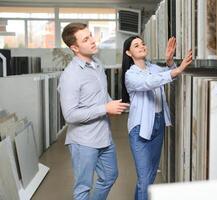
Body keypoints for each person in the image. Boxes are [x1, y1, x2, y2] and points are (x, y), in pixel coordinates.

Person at [58, 22, 129, 200]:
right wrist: (105, 108)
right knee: (83, 187)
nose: (92, 41)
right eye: (86, 39)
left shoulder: (97, 64)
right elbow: (70, 115)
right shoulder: (70, 75)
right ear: (74, 47)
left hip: (104, 136)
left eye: (91, 36)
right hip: (83, 141)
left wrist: (112, 104)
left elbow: (101, 94)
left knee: (110, 176)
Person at [121, 35, 193, 200]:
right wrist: (176, 69)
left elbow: (170, 78)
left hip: (158, 123)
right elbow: (150, 82)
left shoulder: (153, 68)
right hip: (140, 128)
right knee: (145, 178)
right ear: (128, 53)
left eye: (143, 44)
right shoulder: (130, 75)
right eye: (136, 45)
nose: (141, 46)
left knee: (150, 175)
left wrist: (169, 62)